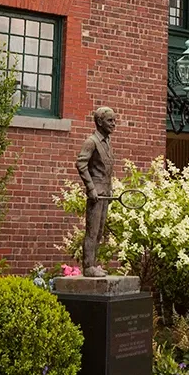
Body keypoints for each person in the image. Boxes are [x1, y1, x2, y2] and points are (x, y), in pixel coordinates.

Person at [76, 106, 117, 277]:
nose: (113, 124)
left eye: (114, 120)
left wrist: (110, 189)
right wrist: (91, 188)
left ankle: (93, 264)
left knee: (99, 232)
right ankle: (88, 267)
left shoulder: (107, 142)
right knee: (92, 232)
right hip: (96, 194)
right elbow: (81, 164)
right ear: (99, 122)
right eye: (110, 120)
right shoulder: (91, 142)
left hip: (105, 193)